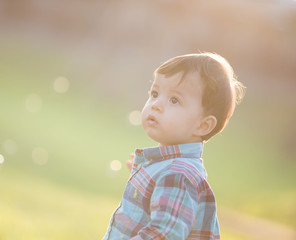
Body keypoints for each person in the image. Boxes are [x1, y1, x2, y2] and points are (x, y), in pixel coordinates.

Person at [102, 52, 245, 240]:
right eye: (154, 93)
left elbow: (165, 234)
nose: (156, 105)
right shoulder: (169, 170)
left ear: (203, 125)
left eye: (174, 100)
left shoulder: (178, 175)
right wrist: (146, 182)